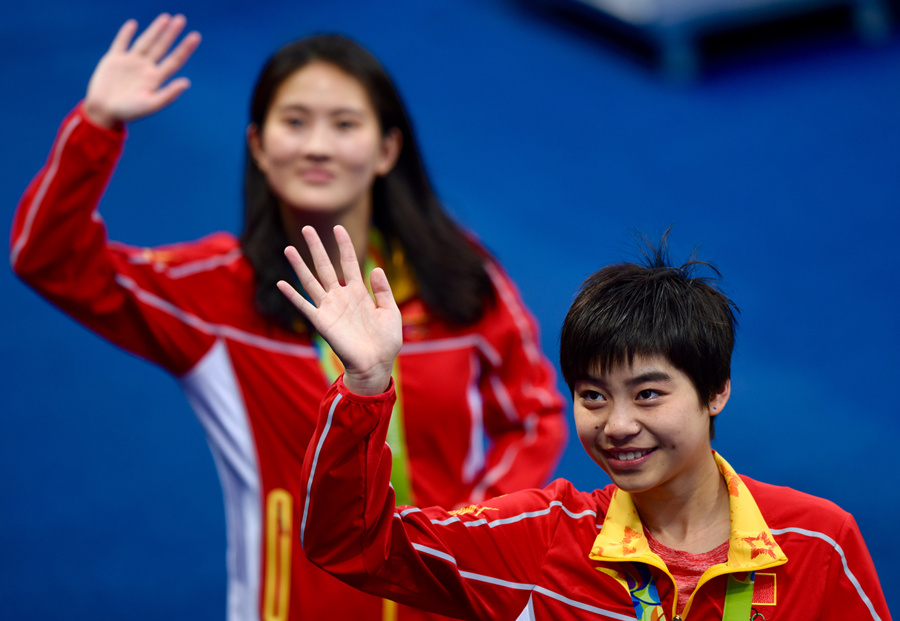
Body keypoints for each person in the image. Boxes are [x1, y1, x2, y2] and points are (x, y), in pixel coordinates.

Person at [9, 13, 567, 621]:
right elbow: (48, 258)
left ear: (387, 150)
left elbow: (532, 415)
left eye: (344, 124)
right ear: (257, 145)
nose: (317, 145)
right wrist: (97, 124)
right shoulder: (214, 292)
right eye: (294, 122)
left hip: (449, 602)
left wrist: (475, 528)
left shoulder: (460, 279)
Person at [285, 225, 891, 620]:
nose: (618, 424)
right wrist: (365, 385)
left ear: (716, 392)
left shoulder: (819, 545)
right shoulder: (540, 538)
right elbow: (353, 545)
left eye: (649, 394)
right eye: (593, 396)